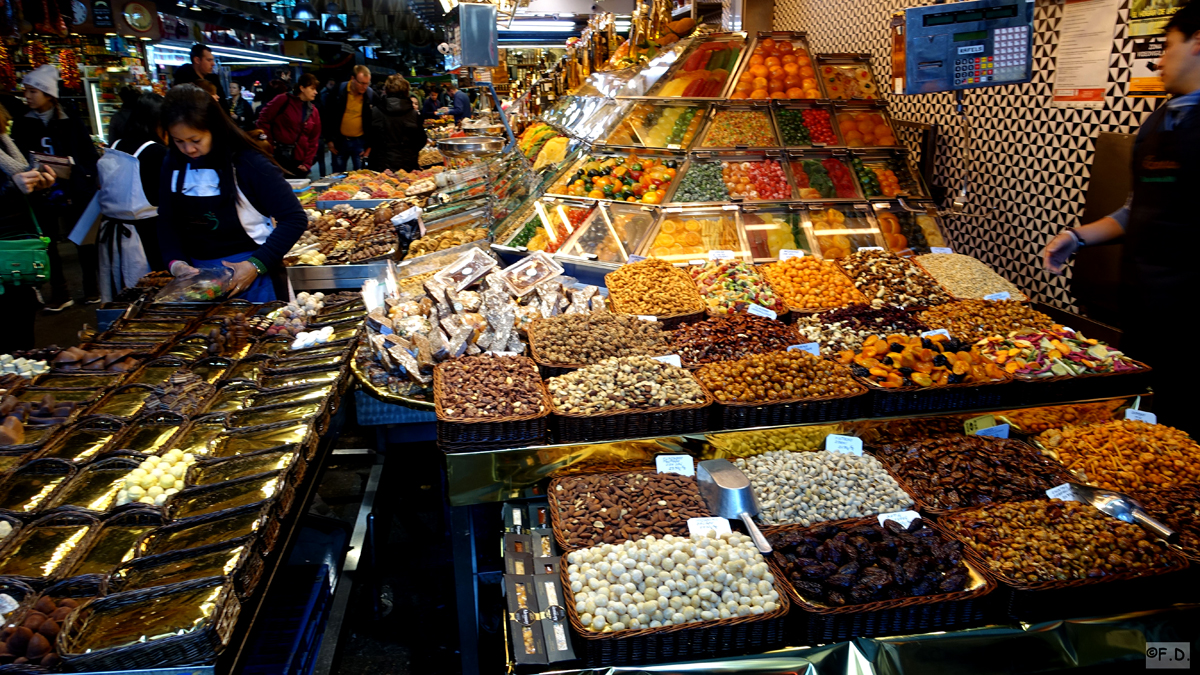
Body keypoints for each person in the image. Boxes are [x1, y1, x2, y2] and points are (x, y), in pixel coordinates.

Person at [1042, 0, 1200, 435]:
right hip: (1145, 305)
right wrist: (1077, 236)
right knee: (1144, 413)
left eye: (1168, 46)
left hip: (1188, 314)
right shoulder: (1161, 121)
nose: (1159, 59)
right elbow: (1139, 208)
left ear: (1198, 42)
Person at [157, 84, 306, 302]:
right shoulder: (173, 164)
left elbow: (294, 218)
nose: (188, 150)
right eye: (179, 141)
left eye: (195, 140)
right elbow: (166, 220)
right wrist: (176, 264)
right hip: (199, 285)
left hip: (257, 284)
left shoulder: (248, 162)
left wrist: (255, 265)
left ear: (214, 129)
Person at [11, 64, 100, 311]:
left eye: (32, 91)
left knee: (82, 240)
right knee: (47, 243)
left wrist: (78, 171)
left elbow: (88, 155)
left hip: (74, 190)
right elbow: (19, 158)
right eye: (25, 91)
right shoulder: (22, 124)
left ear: (48, 93)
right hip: (41, 191)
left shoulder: (71, 120)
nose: (27, 96)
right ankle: (60, 292)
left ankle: (91, 288)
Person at [0, 103, 59, 351]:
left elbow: (22, 195)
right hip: (5, 252)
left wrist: (39, 185)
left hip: (19, 253)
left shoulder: (6, 142)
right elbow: (10, 189)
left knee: (21, 339)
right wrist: (11, 188)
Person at [97, 92, 168, 294]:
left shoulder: (115, 145)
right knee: (149, 291)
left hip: (111, 234)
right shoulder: (156, 152)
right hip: (145, 236)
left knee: (119, 289)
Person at [257, 73, 322, 179]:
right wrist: (269, 144)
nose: (316, 92)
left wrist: (307, 162)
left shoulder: (313, 111)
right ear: (302, 88)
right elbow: (263, 120)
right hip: (279, 157)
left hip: (299, 162)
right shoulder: (283, 100)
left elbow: (313, 139)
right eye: (312, 89)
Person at [323, 65, 376, 173]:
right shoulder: (338, 90)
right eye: (362, 83)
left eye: (367, 83)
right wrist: (329, 140)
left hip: (360, 142)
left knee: (362, 177)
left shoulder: (370, 95)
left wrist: (370, 146)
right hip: (340, 141)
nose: (364, 87)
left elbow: (375, 123)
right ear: (352, 79)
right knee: (337, 176)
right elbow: (327, 116)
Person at [371, 75, 428, 173]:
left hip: (382, 167)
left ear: (386, 90)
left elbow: (370, 139)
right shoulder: (414, 114)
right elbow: (421, 140)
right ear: (406, 92)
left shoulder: (375, 112)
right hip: (408, 166)